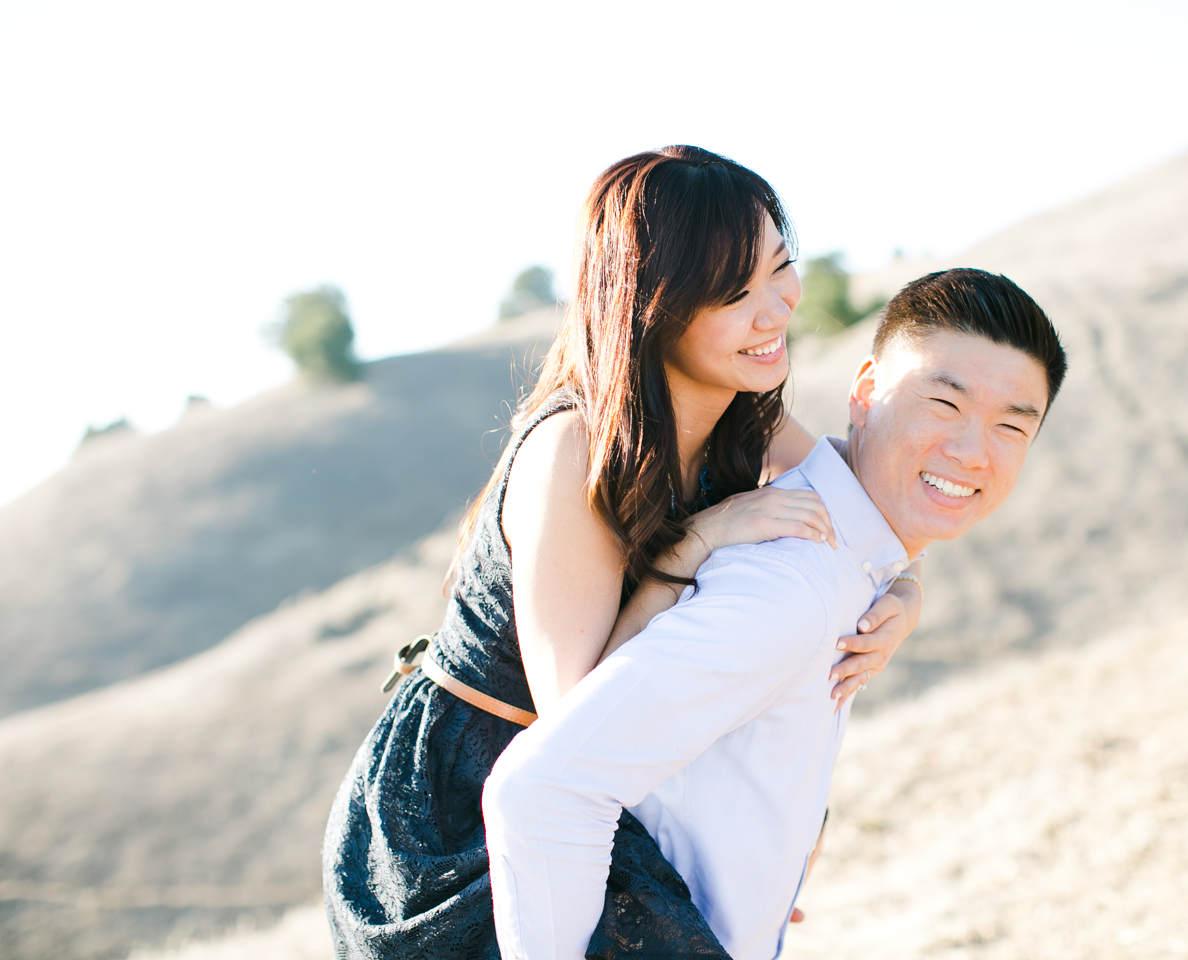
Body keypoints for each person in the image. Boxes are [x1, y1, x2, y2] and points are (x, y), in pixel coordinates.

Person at [322, 146, 924, 958]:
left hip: (597, 784)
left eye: (781, 269)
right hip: (457, 815)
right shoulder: (572, 450)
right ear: (655, 306)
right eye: (732, 293)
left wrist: (905, 598)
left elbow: (862, 518)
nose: (774, 310)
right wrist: (698, 545)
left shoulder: (748, 417)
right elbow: (575, 722)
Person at [483, 267, 1067, 960]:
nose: (973, 452)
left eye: (1010, 426)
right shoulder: (794, 586)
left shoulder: (856, 563)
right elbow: (543, 788)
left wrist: (908, 590)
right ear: (865, 391)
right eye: (944, 405)